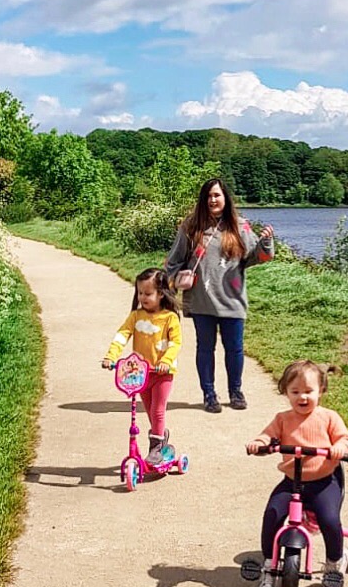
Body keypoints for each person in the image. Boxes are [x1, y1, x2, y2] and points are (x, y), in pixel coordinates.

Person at [246, 360, 348, 587]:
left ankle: (335, 561)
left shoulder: (328, 417)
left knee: (329, 518)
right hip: (291, 482)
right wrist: (260, 443)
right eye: (295, 392)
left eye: (308, 391)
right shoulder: (283, 419)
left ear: (321, 390)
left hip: (324, 481)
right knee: (273, 513)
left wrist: (339, 448)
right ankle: (269, 565)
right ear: (285, 392)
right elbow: (267, 435)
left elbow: (346, 439)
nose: (302, 397)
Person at [165, 178, 274, 414]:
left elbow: (258, 258)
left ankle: (236, 392)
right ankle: (209, 395)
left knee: (235, 348)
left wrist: (266, 242)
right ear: (203, 200)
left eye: (217, 195)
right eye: (209, 196)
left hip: (233, 299)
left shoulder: (240, 227)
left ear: (225, 198)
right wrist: (171, 285)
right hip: (201, 300)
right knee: (205, 348)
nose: (213, 200)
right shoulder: (191, 228)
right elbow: (173, 261)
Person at [101, 268, 182, 466]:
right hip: (140, 372)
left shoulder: (169, 318)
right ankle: (161, 436)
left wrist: (166, 361)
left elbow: (175, 343)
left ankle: (155, 447)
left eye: (148, 293)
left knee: (157, 410)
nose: (142, 297)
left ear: (161, 293)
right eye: (140, 293)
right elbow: (122, 335)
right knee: (147, 410)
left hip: (162, 372)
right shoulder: (136, 316)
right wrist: (111, 356)